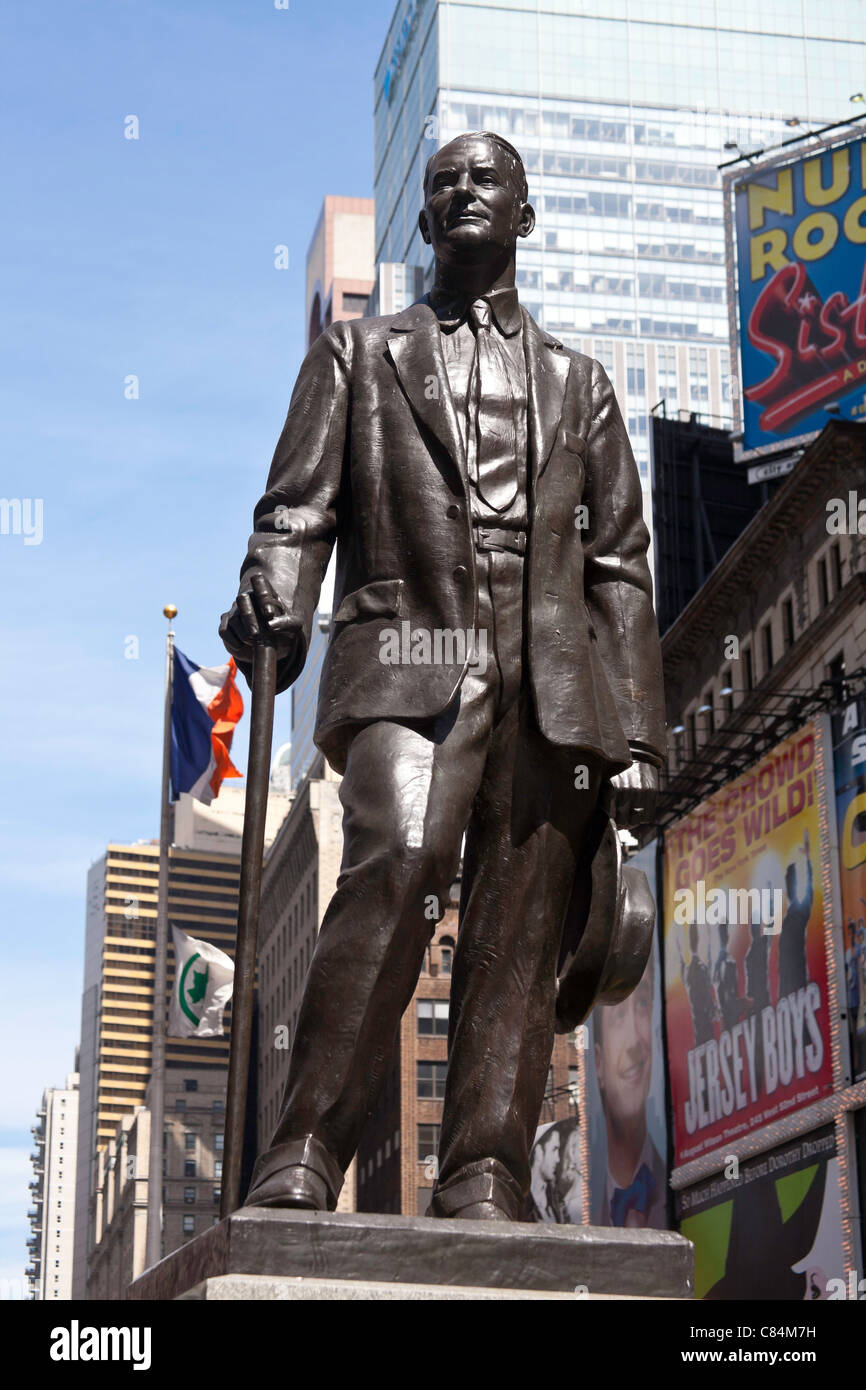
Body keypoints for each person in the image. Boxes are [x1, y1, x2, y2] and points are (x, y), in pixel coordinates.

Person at [220, 131, 665, 1221]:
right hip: (409, 661)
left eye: (487, 179)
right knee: (400, 855)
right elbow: (296, 507)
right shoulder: (359, 357)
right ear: (424, 221)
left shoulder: (582, 384)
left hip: (550, 688)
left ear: (524, 213)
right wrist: (272, 588)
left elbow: (619, 567)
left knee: (519, 923)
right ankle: (307, 1148)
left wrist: (643, 736)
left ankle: (484, 1167)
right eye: (444, 182)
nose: (463, 191)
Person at [594, 956, 666, 1227]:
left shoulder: (679, 1190)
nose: (635, 1039)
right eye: (619, 1015)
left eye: (643, 1005)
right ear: (598, 1063)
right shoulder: (584, 1206)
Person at [778, 830, 813, 1000]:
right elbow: (809, 890)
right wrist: (807, 859)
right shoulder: (796, 914)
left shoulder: (795, 915)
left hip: (794, 994)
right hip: (794, 995)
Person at [678, 922, 718, 1048]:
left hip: (698, 1034)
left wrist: (679, 950)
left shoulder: (687, 972)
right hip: (707, 1033)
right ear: (699, 940)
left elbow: (683, 965)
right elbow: (708, 999)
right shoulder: (701, 970)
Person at [527, 1125, 561, 1223]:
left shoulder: (554, 1203)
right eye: (554, 1149)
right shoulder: (519, 1203)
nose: (558, 1159)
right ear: (539, 1152)